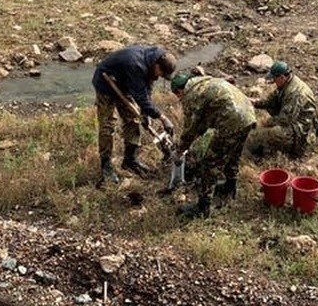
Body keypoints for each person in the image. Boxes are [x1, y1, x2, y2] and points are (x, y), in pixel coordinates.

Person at [170, 72, 257, 219]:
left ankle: (203, 208)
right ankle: (230, 188)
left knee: (209, 164)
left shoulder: (191, 96)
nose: (179, 99)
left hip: (232, 122)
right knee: (233, 154)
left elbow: (190, 129)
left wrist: (180, 150)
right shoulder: (206, 81)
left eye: (178, 96)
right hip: (248, 115)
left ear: (179, 91)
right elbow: (203, 122)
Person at [92, 45, 177, 183]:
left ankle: (130, 160)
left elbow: (147, 91)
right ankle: (106, 165)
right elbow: (141, 98)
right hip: (106, 83)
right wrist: (162, 117)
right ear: (157, 65)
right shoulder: (136, 65)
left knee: (133, 121)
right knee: (108, 125)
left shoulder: (152, 62)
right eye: (160, 73)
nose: (159, 77)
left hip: (124, 84)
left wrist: (146, 114)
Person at [246, 61, 318, 159]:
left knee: (262, 134)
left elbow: (285, 120)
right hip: (293, 120)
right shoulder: (286, 83)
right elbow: (270, 101)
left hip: (301, 129)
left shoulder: (295, 93)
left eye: (274, 78)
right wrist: (254, 103)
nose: (273, 81)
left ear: (282, 77)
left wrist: (266, 124)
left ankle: (276, 152)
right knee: (263, 131)